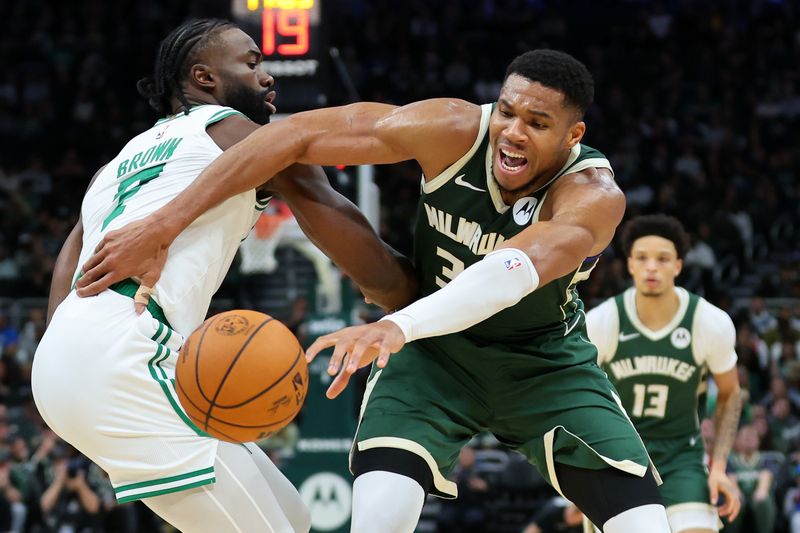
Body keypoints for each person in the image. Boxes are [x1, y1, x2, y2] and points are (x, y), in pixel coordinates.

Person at [74, 49, 674, 532]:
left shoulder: (594, 196)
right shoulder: (453, 128)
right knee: (381, 517)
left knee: (647, 526)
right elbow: (291, 136)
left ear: (574, 136)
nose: (512, 133)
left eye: (537, 124)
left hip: (542, 366)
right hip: (432, 359)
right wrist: (164, 223)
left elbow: (507, 273)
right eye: (508, 111)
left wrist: (397, 324)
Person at [32, 18, 419, 533]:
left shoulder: (119, 161)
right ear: (205, 78)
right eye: (252, 63)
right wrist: (414, 299)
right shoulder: (235, 132)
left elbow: (71, 256)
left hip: (73, 350)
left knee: (295, 518)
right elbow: (344, 230)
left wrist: (77, 365)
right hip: (124, 352)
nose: (267, 77)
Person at [585, 214, 742, 532]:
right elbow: (581, 399)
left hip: (682, 456)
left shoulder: (708, 322)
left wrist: (720, 466)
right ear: (629, 265)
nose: (651, 267)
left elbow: (731, 393)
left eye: (662, 259)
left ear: (679, 266)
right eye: (642, 258)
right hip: (620, 458)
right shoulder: (603, 321)